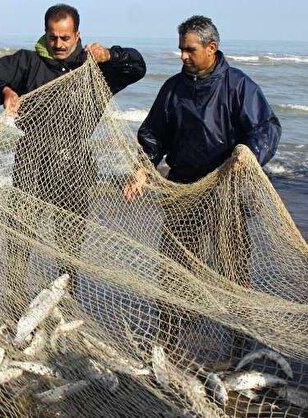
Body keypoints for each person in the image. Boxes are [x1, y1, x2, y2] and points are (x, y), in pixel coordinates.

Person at [123, 15, 281, 360]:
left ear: (212, 48)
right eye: (180, 49)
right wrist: (142, 168)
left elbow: (267, 127)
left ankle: (240, 343)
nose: (182, 56)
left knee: (232, 268)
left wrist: (249, 152)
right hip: (183, 188)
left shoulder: (238, 86)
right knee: (175, 266)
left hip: (228, 188)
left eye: (189, 49)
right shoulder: (174, 89)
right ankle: (171, 336)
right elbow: (153, 134)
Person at [0, 4, 146, 307]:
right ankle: (15, 295)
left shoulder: (94, 65)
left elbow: (138, 66)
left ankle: (66, 299)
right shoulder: (27, 62)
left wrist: (110, 55)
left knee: (69, 237)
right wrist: (4, 91)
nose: (59, 44)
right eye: (53, 38)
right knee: (21, 231)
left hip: (75, 159)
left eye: (65, 38)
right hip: (32, 157)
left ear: (77, 34)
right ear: (45, 34)